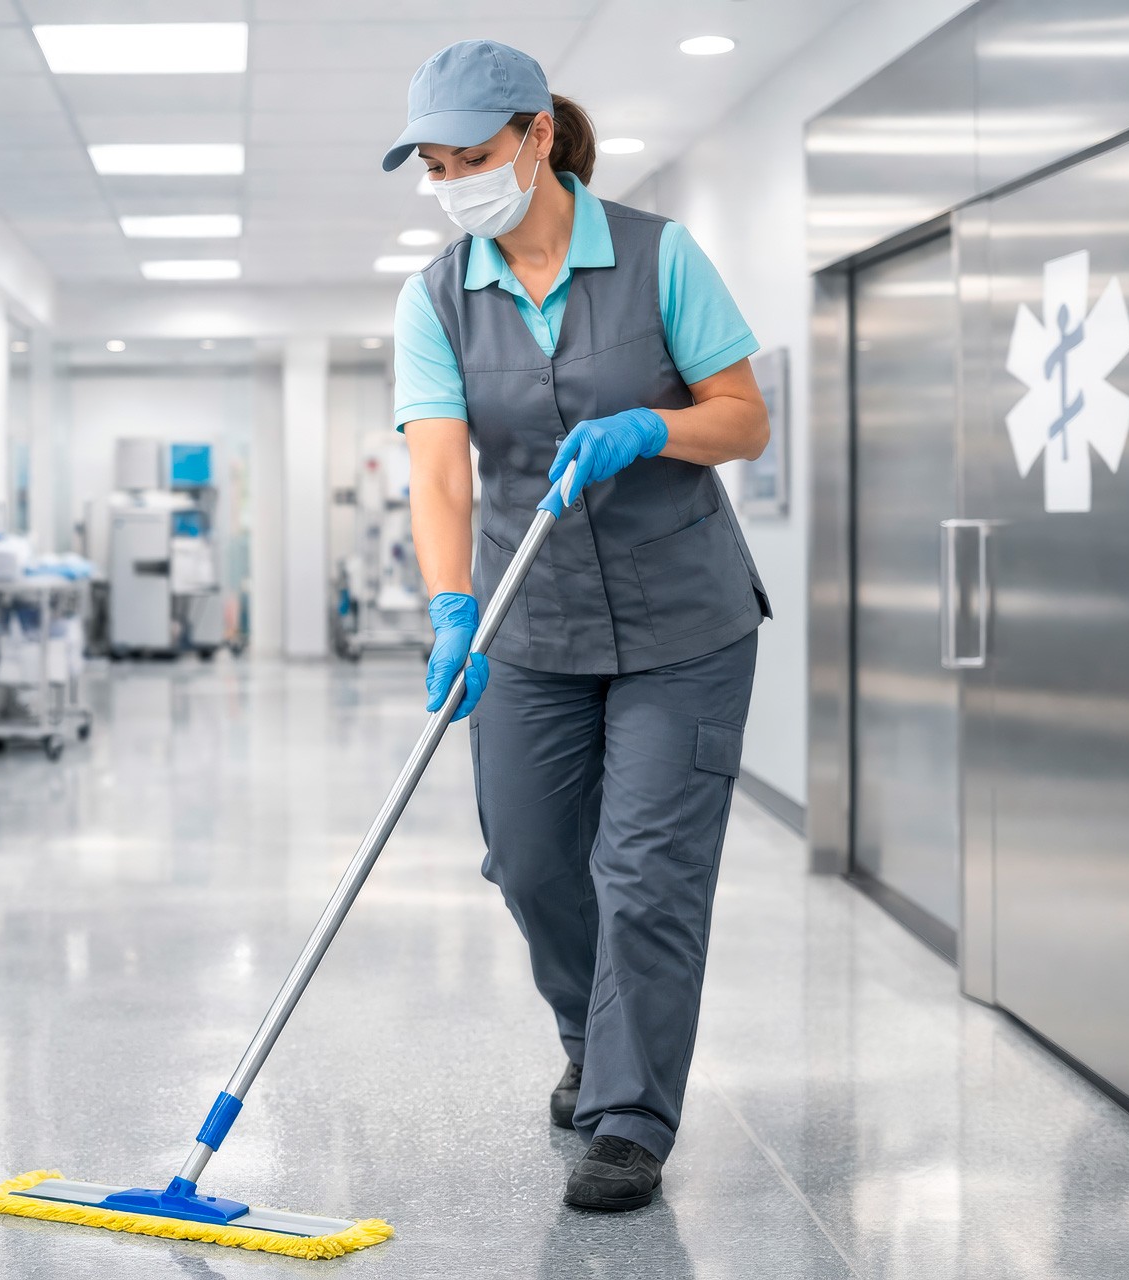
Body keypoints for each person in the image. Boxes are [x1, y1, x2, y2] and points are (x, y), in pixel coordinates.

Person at [383, 40, 772, 1212]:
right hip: (527, 622)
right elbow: (442, 475)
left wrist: (655, 429)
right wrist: (452, 608)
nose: (454, 184)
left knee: (646, 870)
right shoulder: (436, 297)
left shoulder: (662, 255)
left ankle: (629, 1115)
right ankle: (590, 1036)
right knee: (536, 862)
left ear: (537, 137)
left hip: (684, 625)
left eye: (473, 157)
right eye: (436, 167)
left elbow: (744, 419)